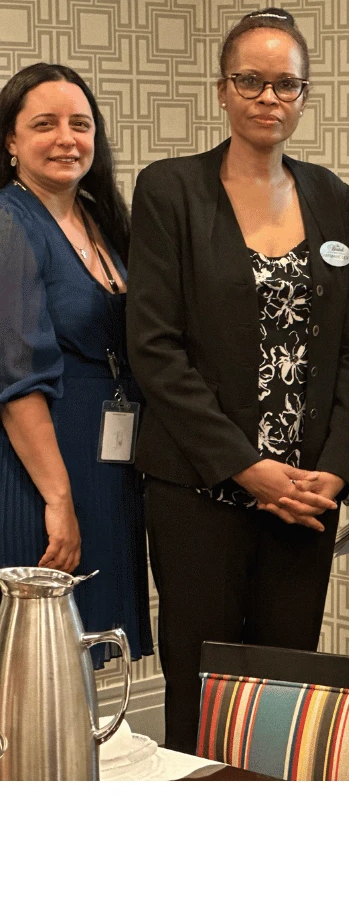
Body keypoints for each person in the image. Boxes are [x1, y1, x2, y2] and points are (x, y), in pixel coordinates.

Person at [126, 8, 349, 753]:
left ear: (304, 94)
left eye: (286, 84)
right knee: (201, 682)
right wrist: (246, 467)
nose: (269, 98)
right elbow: (155, 349)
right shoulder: (170, 189)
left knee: (284, 687)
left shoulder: (330, 195)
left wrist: (333, 470)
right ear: (223, 90)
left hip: (303, 496)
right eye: (251, 81)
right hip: (200, 487)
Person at [0, 63, 153, 667]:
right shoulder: (9, 221)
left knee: (84, 653)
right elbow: (17, 380)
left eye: (80, 124)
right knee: (38, 664)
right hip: (39, 466)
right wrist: (57, 498)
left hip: (105, 462)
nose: (67, 139)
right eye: (45, 124)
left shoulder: (100, 216)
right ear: (10, 141)